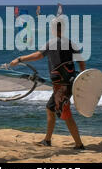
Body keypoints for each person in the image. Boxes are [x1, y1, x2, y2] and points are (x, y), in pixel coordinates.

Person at [9, 18, 86, 150]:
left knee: (65, 113)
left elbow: (38, 56)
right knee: (50, 108)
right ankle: (47, 140)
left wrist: (19, 59)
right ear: (64, 28)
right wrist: (82, 77)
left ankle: (79, 144)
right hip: (68, 82)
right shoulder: (71, 43)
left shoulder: (52, 43)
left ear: (53, 29)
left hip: (61, 85)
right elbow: (81, 62)